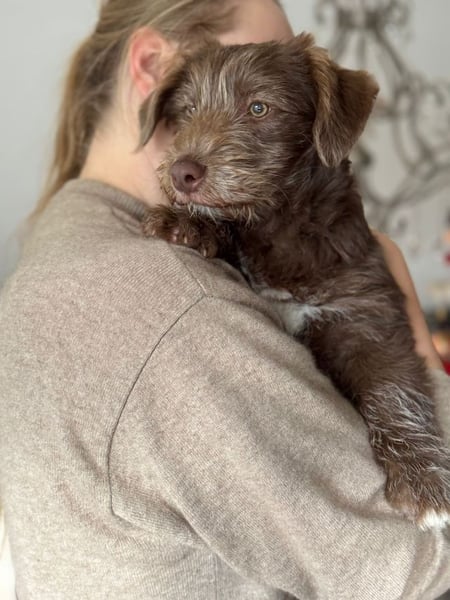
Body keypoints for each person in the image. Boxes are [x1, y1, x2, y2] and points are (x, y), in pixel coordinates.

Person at [0, 0, 449, 598]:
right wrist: (404, 308)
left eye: (258, 106)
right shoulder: (179, 309)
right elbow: (417, 566)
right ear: (154, 67)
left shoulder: (64, 244)